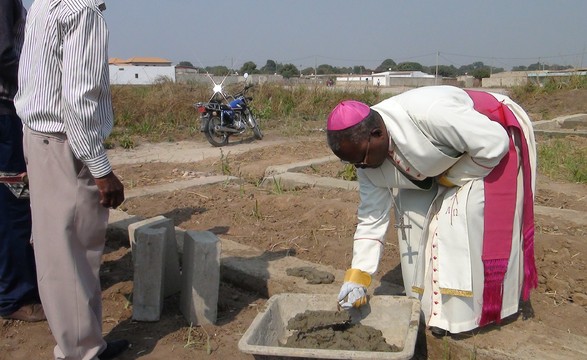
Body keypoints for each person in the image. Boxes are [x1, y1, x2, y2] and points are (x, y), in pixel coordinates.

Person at [327, 85, 537, 336]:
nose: (360, 167)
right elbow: (372, 217)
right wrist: (358, 276)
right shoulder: (364, 159)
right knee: (411, 214)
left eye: (362, 159)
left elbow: (494, 143)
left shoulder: (431, 114)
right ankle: (430, 312)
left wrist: (452, 179)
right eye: (352, 163)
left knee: (456, 216)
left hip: (486, 143)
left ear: (377, 133)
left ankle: (469, 317)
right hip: (440, 164)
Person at [14, 0, 128, 359]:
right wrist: (101, 169)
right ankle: (82, 353)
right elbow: (80, 100)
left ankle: (80, 346)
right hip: (65, 146)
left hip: (38, 136)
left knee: (56, 253)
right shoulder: (82, 12)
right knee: (74, 253)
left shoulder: (44, 4)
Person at [0, 0, 45, 323]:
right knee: (14, 201)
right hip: (5, 113)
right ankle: (16, 295)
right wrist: (36, 84)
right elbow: (4, 53)